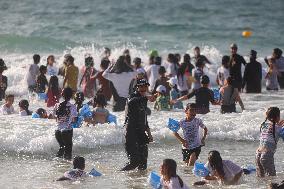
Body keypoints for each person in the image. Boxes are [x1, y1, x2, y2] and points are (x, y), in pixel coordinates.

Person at [121, 79, 155, 171]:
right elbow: (132, 102)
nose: (144, 88)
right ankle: (119, 175)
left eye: (145, 86)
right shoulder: (132, 97)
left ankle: (139, 182)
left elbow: (144, 118)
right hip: (130, 134)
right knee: (134, 162)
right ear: (136, 87)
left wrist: (149, 133)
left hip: (141, 133)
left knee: (143, 163)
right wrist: (146, 97)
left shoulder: (143, 99)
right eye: (141, 86)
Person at [256, 107, 284, 177]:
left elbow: (271, 129)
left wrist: (278, 125)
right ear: (278, 117)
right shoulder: (279, 128)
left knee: (260, 178)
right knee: (272, 178)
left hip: (257, 154)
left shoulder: (263, 125)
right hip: (266, 155)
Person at [54, 87, 77, 160]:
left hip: (57, 131)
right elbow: (74, 120)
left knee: (61, 148)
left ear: (62, 95)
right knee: (68, 152)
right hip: (67, 131)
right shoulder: (73, 107)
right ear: (71, 96)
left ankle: (57, 164)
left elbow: (56, 118)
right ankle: (66, 167)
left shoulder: (57, 105)